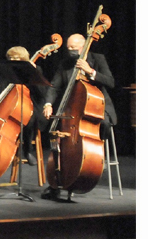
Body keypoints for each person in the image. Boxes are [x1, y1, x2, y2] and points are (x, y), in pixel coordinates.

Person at [42, 31, 117, 199]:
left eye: (73, 48)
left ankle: (98, 157)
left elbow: (110, 82)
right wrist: (48, 104)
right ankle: (57, 180)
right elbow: (54, 86)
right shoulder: (65, 64)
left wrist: (90, 71)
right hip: (73, 111)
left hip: (97, 108)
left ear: (83, 46)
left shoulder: (97, 59)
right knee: (57, 132)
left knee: (103, 123)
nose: (70, 51)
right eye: (68, 48)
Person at [0, 46, 47, 165]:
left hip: (33, 106)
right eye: (10, 58)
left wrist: (34, 73)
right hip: (11, 107)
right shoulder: (7, 74)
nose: (12, 61)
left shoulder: (37, 70)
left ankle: (28, 150)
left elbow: (42, 93)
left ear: (24, 59)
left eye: (16, 58)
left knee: (28, 118)